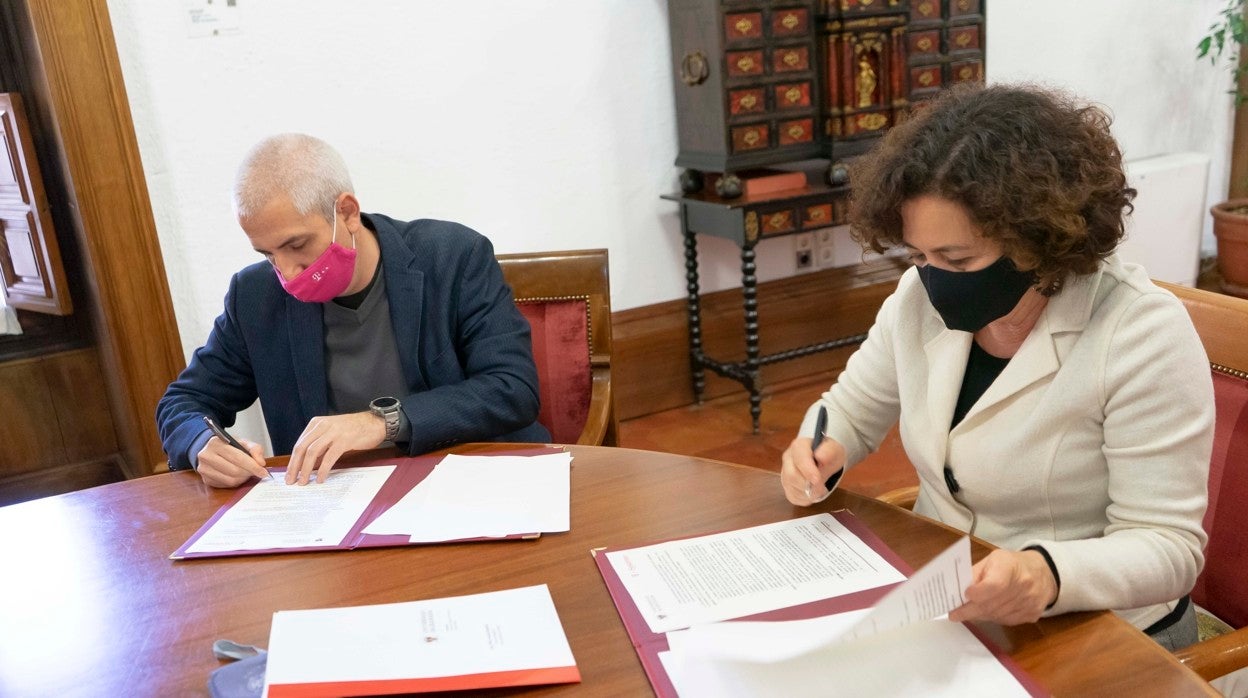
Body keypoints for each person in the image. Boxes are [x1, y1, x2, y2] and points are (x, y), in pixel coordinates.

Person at [780, 83, 1214, 651]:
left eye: (957, 259)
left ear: (1039, 238)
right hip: (951, 608)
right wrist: (822, 447)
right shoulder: (917, 300)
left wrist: (1045, 574)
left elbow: (1168, 548)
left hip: (1100, 631)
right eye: (918, 254)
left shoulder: (1140, 333)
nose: (930, 276)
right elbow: (850, 413)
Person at [157, 133, 549, 488]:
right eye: (268, 254)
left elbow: (511, 388)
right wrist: (200, 442)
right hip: (335, 502)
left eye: (297, 246)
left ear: (346, 212)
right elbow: (182, 403)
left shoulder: (452, 256)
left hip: (468, 481)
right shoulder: (255, 296)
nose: (286, 273)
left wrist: (381, 422)